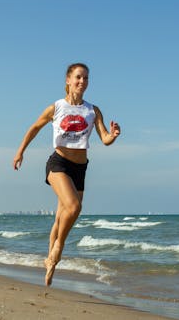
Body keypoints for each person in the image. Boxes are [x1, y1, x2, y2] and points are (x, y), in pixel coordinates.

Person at [12, 63, 121, 286]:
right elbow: (34, 128)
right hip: (58, 164)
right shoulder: (56, 107)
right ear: (68, 80)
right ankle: (58, 247)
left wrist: (114, 135)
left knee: (62, 215)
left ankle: (50, 263)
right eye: (79, 77)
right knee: (74, 207)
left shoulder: (93, 110)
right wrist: (20, 151)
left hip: (80, 168)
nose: (83, 82)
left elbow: (105, 139)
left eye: (86, 78)